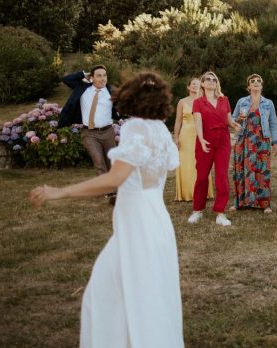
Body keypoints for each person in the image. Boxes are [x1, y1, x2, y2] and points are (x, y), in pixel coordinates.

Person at [29, 71, 184, 347]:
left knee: (105, 294)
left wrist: (61, 192)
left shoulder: (136, 127)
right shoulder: (160, 129)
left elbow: (115, 179)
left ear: (129, 97)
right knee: (145, 291)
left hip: (138, 221)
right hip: (157, 218)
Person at [58, 65, 120, 203]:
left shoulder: (111, 91)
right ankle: (108, 192)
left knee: (112, 162)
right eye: (99, 75)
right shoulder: (82, 88)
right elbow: (66, 79)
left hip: (108, 131)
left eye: (104, 75)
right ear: (91, 78)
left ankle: (115, 189)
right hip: (89, 133)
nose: (103, 78)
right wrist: (83, 74)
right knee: (98, 161)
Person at [188, 71, 240, 227]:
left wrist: (234, 124)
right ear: (203, 83)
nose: (211, 81)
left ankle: (220, 212)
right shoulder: (198, 102)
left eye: (214, 79)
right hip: (205, 140)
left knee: (222, 176)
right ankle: (197, 210)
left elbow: (228, 120)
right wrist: (202, 139)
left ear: (217, 83)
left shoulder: (225, 100)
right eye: (208, 79)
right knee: (202, 176)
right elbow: (197, 121)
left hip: (223, 140)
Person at [232, 74, 277, 212]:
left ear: (262, 85)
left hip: (261, 140)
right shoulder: (242, 101)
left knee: (262, 170)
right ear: (248, 87)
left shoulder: (268, 103)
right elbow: (232, 119)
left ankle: (264, 204)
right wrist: (238, 119)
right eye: (252, 81)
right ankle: (240, 202)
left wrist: (276, 141)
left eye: (258, 81)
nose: (256, 83)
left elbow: (273, 124)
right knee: (242, 170)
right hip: (244, 139)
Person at [172, 77, 213, 202]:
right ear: (188, 87)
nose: (195, 86)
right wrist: (176, 137)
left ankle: (203, 192)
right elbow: (178, 121)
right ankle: (187, 193)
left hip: (201, 135)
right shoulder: (182, 102)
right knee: (187, 162)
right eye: (193, 84)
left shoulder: (204, 100)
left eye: (198, 84)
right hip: (186, 135)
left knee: (202, 162)